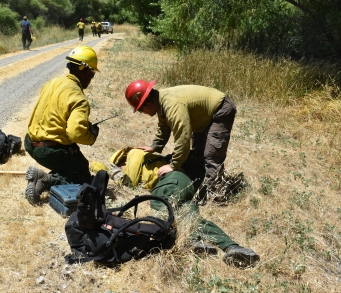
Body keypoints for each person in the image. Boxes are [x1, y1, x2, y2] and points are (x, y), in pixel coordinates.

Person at [102, 147, 259, 268]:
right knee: (187, 212)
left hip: (170, 181)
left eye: (119, 166)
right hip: (181, 183)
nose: (119, 169)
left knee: (160, 203)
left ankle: (193, 240)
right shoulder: (146, 162)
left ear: (122, 160)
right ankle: (232, 247)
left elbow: (131, 178)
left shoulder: (135, 155)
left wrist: (109, 170)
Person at [124, 80, 237, 203]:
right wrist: (155, 146)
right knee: (198, 152)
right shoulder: (160, 101)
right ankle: (201, 180)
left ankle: (216, 195)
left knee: (211, 154)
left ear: (148, 104)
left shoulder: (172, 106)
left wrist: (174, 165)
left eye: (140, 110)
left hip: (220, 109)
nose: (143, 113)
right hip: (203, 114)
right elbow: (164, 126)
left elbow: (183, 137)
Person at [24, 45, 100, 205]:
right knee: (83, 175)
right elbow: (76, 133)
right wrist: (91, 136)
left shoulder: (52, 82)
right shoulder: (79, 98)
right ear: (86, 71)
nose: (91, 77)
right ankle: (45, 180)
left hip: (30, 144)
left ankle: (47, 175)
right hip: (49, 150)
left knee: (71, 162)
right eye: (92, 73)